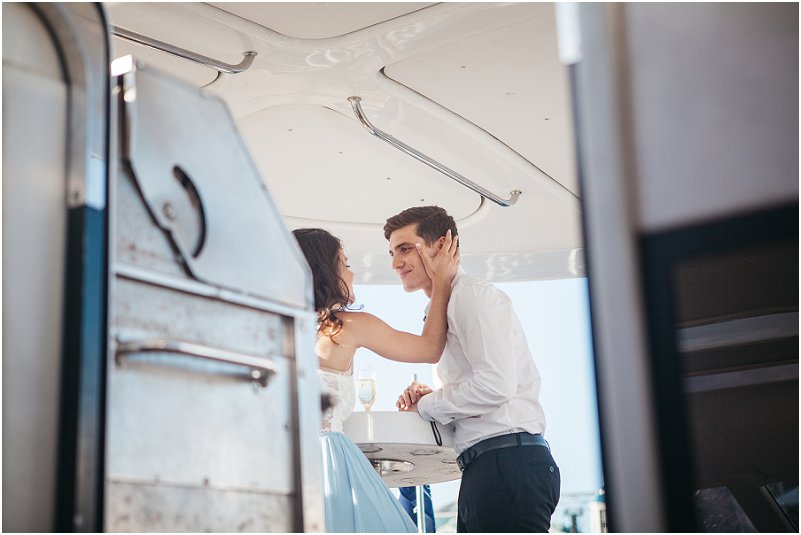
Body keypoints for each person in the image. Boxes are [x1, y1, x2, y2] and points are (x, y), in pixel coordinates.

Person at [387, 206, 561, 533]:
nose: (396, 263)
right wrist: (437, 397)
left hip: (506, 466)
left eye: (405, 249)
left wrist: (428, 406)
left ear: (441, 245)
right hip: (490, 467)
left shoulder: (470, 296)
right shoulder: (445, 305)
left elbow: (495, 385)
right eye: (393, 252)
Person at [292, 227, 459, 533]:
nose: (352, 273)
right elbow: (430, 348)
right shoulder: (345, 327)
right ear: (326, 271)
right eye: (345, 264)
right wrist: (441, 281)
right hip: (328, 464)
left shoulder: (274, 327)